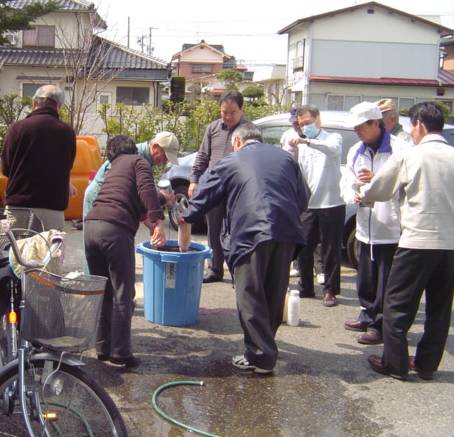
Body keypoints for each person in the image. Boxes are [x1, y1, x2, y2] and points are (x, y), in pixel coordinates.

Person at [180, 123, 309, 374]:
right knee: (274, 292)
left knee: (249, 294)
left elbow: (205, 196)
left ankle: (260, 356)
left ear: (237, 142)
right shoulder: (286, 158)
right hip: (287, 232)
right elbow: (304, 197)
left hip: (251, 234)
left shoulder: (232, 160)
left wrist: (186, 215)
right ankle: (265, 347)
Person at [361, 102, 454, 381]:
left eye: (412, 126)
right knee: (439, 307)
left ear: (419, 125)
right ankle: (426, 365)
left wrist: (361, 189)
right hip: (450, 244)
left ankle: (396, 364)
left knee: (396, 305)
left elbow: (380, 190)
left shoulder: (411, 155)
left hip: (417, 241)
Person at [84, 135, 166, 368]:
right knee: (123, 292)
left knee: (104, 291)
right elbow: (146, 190)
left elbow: (135, 198)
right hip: (114, 230)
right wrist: (158, 222)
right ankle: (120, 353)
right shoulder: (138, 161)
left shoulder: (114, 167)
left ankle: (102, 347)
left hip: (91, 228)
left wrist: (160, 201)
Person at [341, 102, 408, 345]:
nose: (357, 132)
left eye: (361, 126)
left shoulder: (400, 149)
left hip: (390, 228)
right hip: (365, 226)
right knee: (365, 278)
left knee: (386, 281)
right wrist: (353, 196)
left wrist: (377, 180)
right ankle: (366, 314)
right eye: (355, 127)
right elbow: (346, 181)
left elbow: (406, 185)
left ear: (375, 123)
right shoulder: (356, 151)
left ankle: (380, 325)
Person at [189, 89, 250, 283]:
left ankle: (238, 271)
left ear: (241, 110)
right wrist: (194, 180)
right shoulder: (213, 128)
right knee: (214, 229)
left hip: (238, 189)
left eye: (233, 112)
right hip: (214, 187)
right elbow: (202, 156)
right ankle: (215, 270)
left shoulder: (249, 130)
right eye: (224, 112)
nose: (228, 116)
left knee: (237, 230)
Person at [288, 104, 344, 307]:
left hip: (331, 202)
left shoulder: (333, 138)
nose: (304, 127)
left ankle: (330, 290)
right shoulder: (300, 143)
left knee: (331, 248)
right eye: (301, 125)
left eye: (308, 123)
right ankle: (306, 286)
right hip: (308, 203)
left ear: (318, 120)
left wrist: (307, 141)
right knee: (303, 246)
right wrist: (294, 148)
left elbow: (333, 150)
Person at [1, 85, 76, 231]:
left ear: (33, 102)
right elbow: (67, 166)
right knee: (49, 252)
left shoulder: (17, 128)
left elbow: (6, 168)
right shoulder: (67, 132)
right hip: (52, 208)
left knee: (18, 252)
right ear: (58, 106)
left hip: (19, 207)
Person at [83, 130, 179, 223]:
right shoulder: (136, 157)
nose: (165, 161)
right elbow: (140, 196)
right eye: (165, 156)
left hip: (113, 201)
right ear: (154, 147)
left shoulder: (147, 159)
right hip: (98, 196)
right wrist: (161, 199)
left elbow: (141, 196)